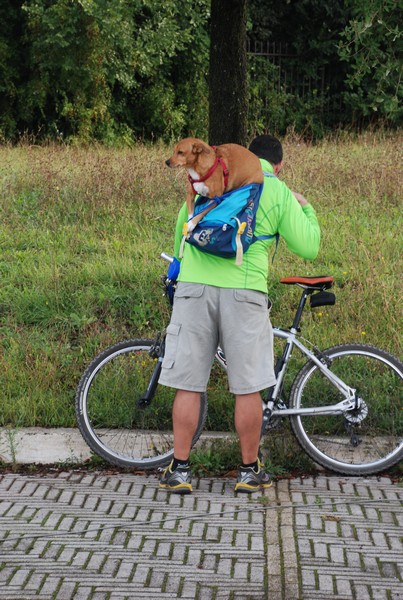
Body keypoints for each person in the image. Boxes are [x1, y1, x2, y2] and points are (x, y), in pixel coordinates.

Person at [158, 134, 320, 494]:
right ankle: (248, 472)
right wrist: (304, 206)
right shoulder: (275, 189)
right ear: (277, 165)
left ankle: (180, 470)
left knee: (188, 383)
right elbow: (309, 246)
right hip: (246, 292)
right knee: (248, 388)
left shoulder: (211, 172)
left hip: (195, 286)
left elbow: (182, 231)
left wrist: (181, 275)